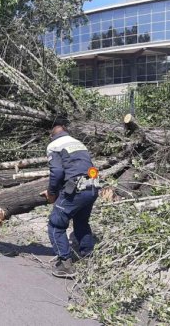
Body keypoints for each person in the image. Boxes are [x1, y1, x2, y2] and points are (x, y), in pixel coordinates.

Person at [40, 119, 99, 278]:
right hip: (93, 186)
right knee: (81, 222)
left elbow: (57, 173)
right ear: (65, 129)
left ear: (51, 133)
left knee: (55, 224)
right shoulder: (78, 143)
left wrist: (52, 193)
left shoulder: (54, 145)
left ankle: (65, 264)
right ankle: (88, 257)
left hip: (76, 190)